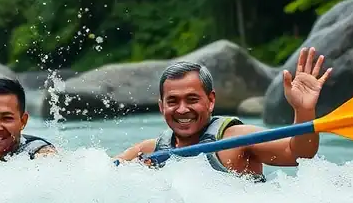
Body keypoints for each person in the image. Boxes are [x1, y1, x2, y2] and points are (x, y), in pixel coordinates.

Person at [115, 47, 332, 180]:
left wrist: (303, 110)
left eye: (192, 99)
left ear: (210, 101)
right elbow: (100, 174)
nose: (182, 109)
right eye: (173, 101)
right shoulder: (148, 152)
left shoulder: (237, 140)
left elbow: (299, 155)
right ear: (162, 107)